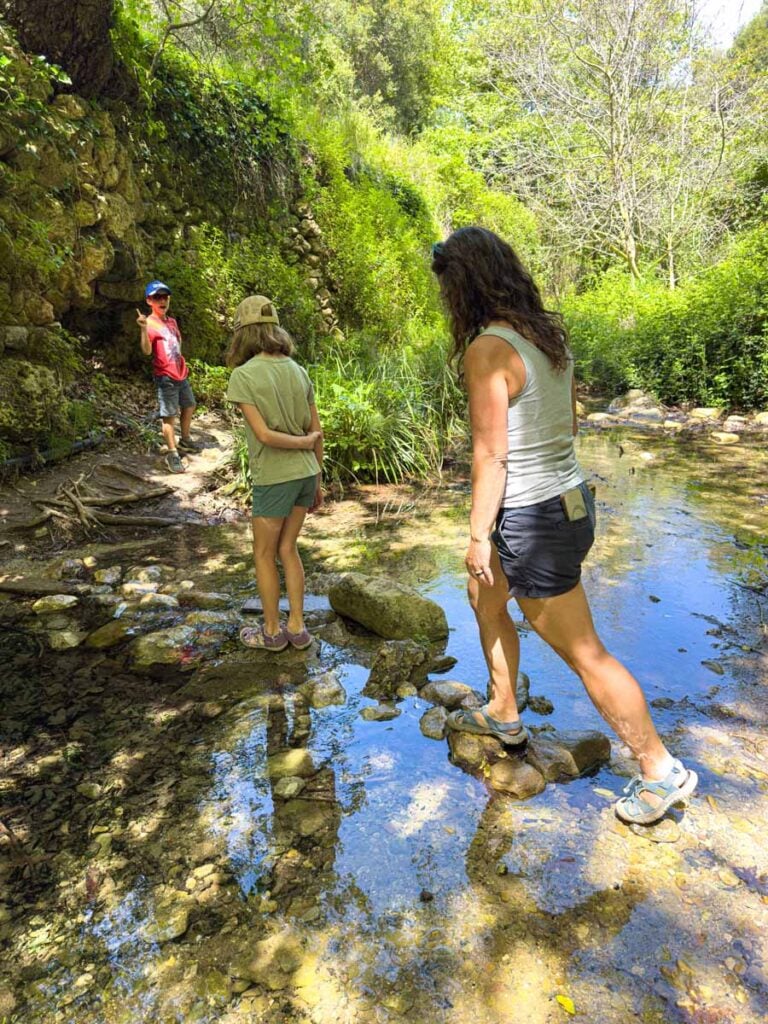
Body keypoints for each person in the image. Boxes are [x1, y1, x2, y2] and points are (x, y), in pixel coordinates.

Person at [431, 227, 697, 826]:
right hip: (571, 500)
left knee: (585, 653)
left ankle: (660, 770)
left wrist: (478, 534)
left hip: (532, 516)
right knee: (484, 594)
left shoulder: (488, 349)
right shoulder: (546, 338)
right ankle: (503, 709)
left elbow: (491, 455)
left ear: (463, 284)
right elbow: (568, 429)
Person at [225, 295, 323, 652]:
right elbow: (317, 431)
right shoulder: (298, 370)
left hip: (274, 476)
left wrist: (303, 443)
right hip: (305, 475)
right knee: (288, 548)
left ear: (243, 335)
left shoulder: (243, 376)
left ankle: (271, 632)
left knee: (264, 554)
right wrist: (318, 477)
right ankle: (297, 627)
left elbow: (264, 435)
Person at [136, 280, 201, 474]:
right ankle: (172, 453)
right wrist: (142, 328)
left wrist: (182, 362)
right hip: (165, 376)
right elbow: (147, 351)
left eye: (165, 297)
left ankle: (186, 440)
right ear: (149, 301)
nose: (162, 300)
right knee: (169, 417)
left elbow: (177, 343)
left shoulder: (172, 321)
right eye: (157, 297)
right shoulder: (148, 322)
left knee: (189, 405)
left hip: (180, 373)